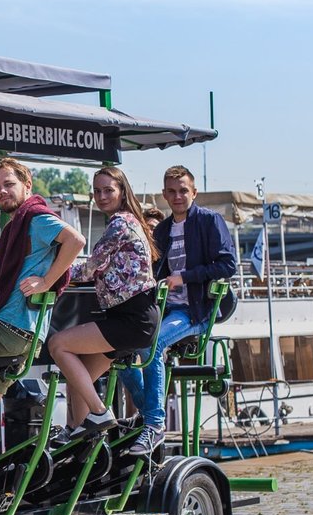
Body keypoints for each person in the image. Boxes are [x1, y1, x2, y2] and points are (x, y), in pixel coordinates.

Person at [0, 159, 85, 515]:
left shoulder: (36, 219)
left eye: (8, 184)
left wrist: (46, 282)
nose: (2, 193)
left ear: (26, 184)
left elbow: (76, 240)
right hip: (19, 335)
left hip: (13, 329)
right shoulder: (15, 227)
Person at [119, 165, 238, 455]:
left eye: (183, 190)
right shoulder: (161, 229)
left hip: (196, 311)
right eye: (171, 191)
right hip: (165, 308)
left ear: (193, 192)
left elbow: (228, 265)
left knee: (154, 343)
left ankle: (154, 424)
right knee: (119, 352)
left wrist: (183, 277)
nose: (178, 196)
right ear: (164, 195)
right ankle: (149, 414)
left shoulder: (210, 221)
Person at [48, 167, 160, 438]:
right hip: (131, 318)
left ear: (122, 192)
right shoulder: (130, 221)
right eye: (97, 191)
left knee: (57, 344)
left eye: (108, 190)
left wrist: (48, 275)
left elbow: (90, 268)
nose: (102, 196)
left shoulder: (121, 223)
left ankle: (99, 413)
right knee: (79, 377)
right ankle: (79, 436)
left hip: (132, 319)